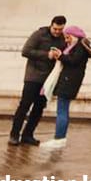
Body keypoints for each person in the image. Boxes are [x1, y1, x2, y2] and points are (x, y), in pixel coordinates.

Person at [9, 15, 66, 146]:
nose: (57, 32)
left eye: (60, 29)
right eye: (55, 29)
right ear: (51, 25)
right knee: (24, 106)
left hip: (48, 81)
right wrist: (47, 55)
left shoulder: (63, 38)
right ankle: (14, 134)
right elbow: (26, 51)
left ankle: (28, 135)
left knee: (39, 108)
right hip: (33, 77)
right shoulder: (39, 34)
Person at [40, 26, 91, 149]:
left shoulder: (79, 47)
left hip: (69, 81)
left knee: (62, 110)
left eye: (68, 37)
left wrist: (60, 56)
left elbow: (73, 61)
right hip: (68, 81)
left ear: (74, 36)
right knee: (62, 109)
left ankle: (59, 138)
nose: (66, 40)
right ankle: (60, 138)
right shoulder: (75, 46)